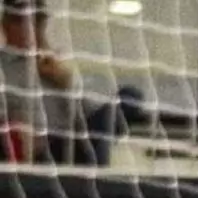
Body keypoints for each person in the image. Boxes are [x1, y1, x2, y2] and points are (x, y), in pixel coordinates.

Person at [0, 0, 136, 166]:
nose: (33, 28)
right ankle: (95, 167)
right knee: (97, 135)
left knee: (130, 96)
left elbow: (89, 111)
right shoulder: (3, 68)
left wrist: (65, 81)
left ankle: (94, 164)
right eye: (23, 21)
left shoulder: (52, 62)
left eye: (38, 21)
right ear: (6, 25)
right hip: (43, 148)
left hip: (77, 134)